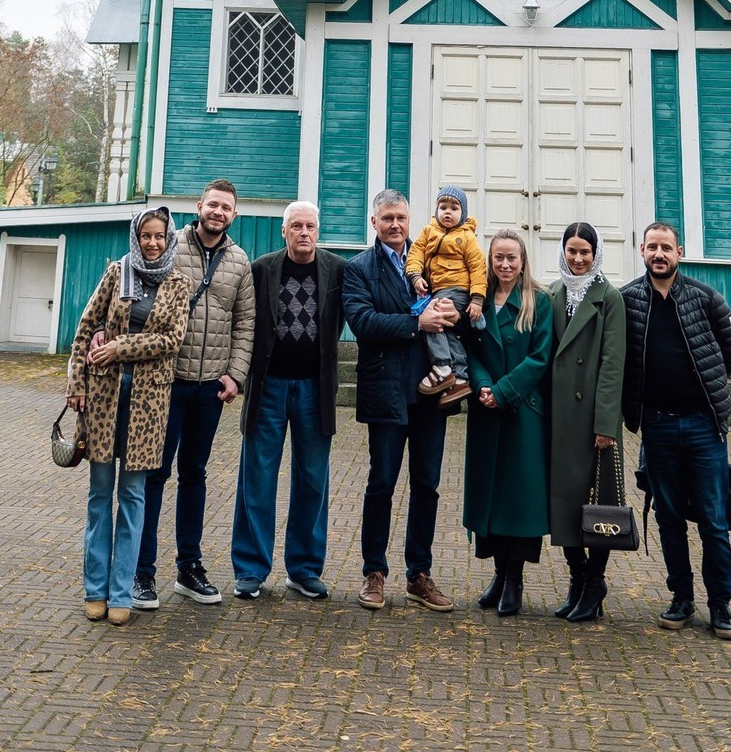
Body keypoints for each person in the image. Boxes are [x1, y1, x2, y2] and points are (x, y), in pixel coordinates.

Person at [133, 179, 255, 609]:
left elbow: (245, 325)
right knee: (153, 475)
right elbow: (138, 292)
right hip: (165, 383)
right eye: (213, 204)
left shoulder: (240, 261)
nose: (218, 212)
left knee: (195, 475)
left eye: (227, 208)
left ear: (233, 215)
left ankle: (189, 568)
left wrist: (235, 376)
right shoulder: (170, 246)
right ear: (199, 206)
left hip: (209, 389)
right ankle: (141, 573)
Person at [621, 220, 731, 643]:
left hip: (703, 426)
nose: (659, 254)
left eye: (666, 248)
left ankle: (721, 605)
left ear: (680, 252)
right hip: (656, 425)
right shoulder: (628, 301)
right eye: (652, 247)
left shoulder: (706, 298)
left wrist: (706, 392)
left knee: (712, 519)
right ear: (642, 250)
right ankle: (681, 598)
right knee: (668, 516)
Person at [67, 207, 189, 625]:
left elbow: (172, 339)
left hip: (149, 406)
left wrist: (120, 347)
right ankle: (94, 589)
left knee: (133, 498)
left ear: (168, 238)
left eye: (159, 236)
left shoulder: (179, 283)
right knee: (100, 496)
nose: (152, 243)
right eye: (145, 236)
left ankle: (122, 592)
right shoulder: (117, 274)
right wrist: (76, 385)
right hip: (103, 398)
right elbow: (85, 328)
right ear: (135, 237)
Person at [343, 188, 459, 613]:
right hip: (388, 391)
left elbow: (454, 306)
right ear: (374, 222)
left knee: (427, 485)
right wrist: (417, 322)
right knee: (382, 485)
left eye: (402, 218)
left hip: (433, 391)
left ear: (411, 222)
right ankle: (374, 572)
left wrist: (448, 313)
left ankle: (419, 575)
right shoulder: (359, 269)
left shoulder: (430, 260)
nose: (395, 225)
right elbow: (362, 322)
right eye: (387, 218)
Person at [230, 201, 345, 601]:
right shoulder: (262, 268)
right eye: (295, 226)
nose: (303, 233)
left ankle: (304, 569)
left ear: (318, 230)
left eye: (310, 226)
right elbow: (242, 320)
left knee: (313, 479)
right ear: (284, 231)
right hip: (270, 386)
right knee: (257, 478)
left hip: (315, 389)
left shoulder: (337, 270)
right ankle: (250, 569)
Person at [463, 227, 554, 618]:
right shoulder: (477, 300)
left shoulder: (539, 301)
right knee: (492, 497)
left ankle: (515, 580)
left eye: (511, 258)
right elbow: (469, 349)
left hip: (522, 414)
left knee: (520, 501)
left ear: (522, 261)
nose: (504, 264)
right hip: (486, 412)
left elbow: (540, 357)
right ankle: (499, 576)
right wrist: (483, 386)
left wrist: (502, 391)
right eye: (498, 257)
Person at [549, 220, 627, 625]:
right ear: (562, 251)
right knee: (563, 504)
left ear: (596, 255)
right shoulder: (553, 293)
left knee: (600, 506)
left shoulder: (609, 298)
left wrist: (605, 423)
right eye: (572, 250)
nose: (578, 259)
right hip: (560, 418)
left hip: (593, 421)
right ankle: (578, 580)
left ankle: (595, 581)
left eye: (585, 252)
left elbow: (613, 365)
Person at [406, 183, 488, 407]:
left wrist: (477, 299)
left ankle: (442, 366)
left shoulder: (467, 237)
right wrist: (415, 276)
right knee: (446, 330)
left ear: (463, 214)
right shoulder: (428, 231)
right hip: (438, 289)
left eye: (454, 208)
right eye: (443, 207)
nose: (448, 212)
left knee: (433, 318)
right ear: (436, 211)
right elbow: (415, 254)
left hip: (458, 290)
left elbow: (478, 268)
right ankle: (460, 377)